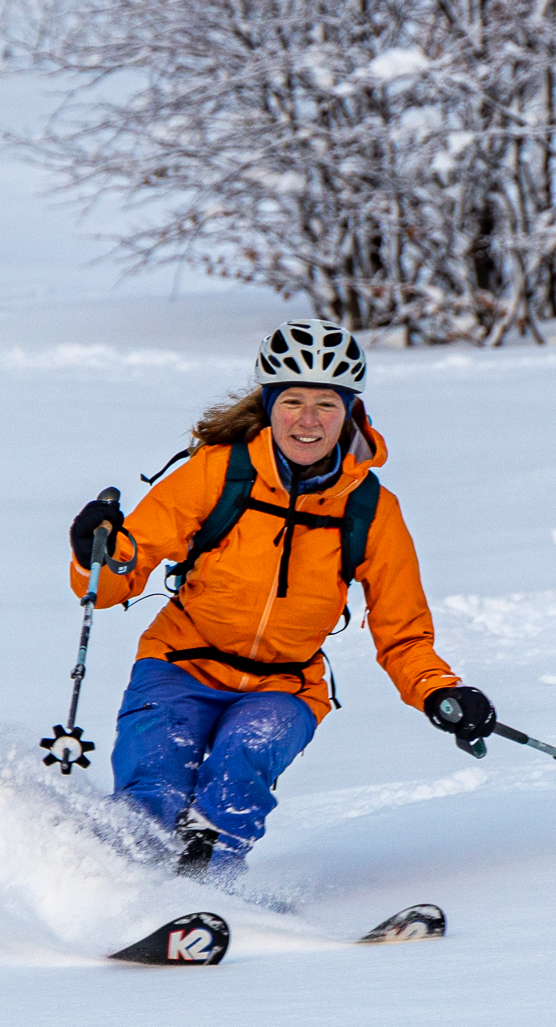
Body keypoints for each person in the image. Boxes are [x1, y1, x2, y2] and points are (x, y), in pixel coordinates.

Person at [68, 320, 497, 880]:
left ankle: (204, 892)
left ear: (350, 411)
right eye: (293, 400)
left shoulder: (370, 509)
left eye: (327, 403)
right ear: (268, 404)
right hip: (177, 665)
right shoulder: (217, 474)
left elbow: (403, 630)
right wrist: (95, 552)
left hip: (286, 685)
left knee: (239, 767)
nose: (308, 420)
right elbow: (114, 581)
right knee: (155, 782)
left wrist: (439, 691)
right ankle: (126, 896)